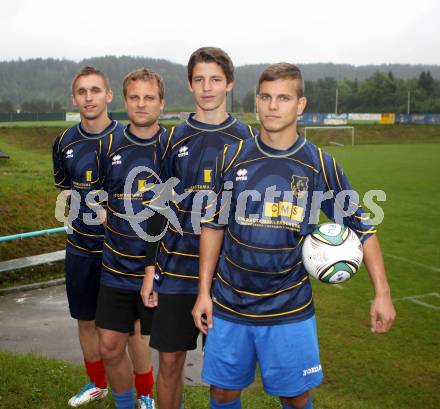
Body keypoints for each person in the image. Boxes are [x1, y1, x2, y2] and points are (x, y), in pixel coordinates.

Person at [192, 62, 396, 409]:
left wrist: (383, 294)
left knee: (296, 397)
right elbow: (213, 227)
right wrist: (202, 293)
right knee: (223, 392)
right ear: (256, 101)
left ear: (300, 104)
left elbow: (363, 228)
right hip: (229, 304)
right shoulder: (231, 158)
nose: (273, 106)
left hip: (289, 308)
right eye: (266, 97)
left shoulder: (319, 164)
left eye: (283, 98)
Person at [141, 47, 256, 409]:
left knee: (222, 374)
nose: (207, 87)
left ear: (230, 84)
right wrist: (149, 270)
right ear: (190, 85)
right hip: (175, 271)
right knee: (170, 362)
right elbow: (156, 209)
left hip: (226, 277)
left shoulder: (248, 139)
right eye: (199, 79)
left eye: (215, 79)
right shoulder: (170, 139)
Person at [95, 68, 166, 409]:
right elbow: (100, 198)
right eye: (134, 97)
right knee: (109, 345)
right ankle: (127, 405)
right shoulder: (109, 147)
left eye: (149, 97)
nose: (141, 104)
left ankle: (148, 398)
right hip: (116, 268)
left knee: (167, 354)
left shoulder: (173, 149)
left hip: (161, 272)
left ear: (161, 102)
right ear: (124, 101)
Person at [52, 66, 123, 406]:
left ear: (108, 95)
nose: (89, 97)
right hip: (80, 248)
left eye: (96, 90)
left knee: (130, 327)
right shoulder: (64, 142)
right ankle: (97, 384)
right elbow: (67, 191)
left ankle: (143, 391)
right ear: (75, 98)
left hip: (122, 253)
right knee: (86, 320)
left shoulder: (127, 139)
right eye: (82, 91)